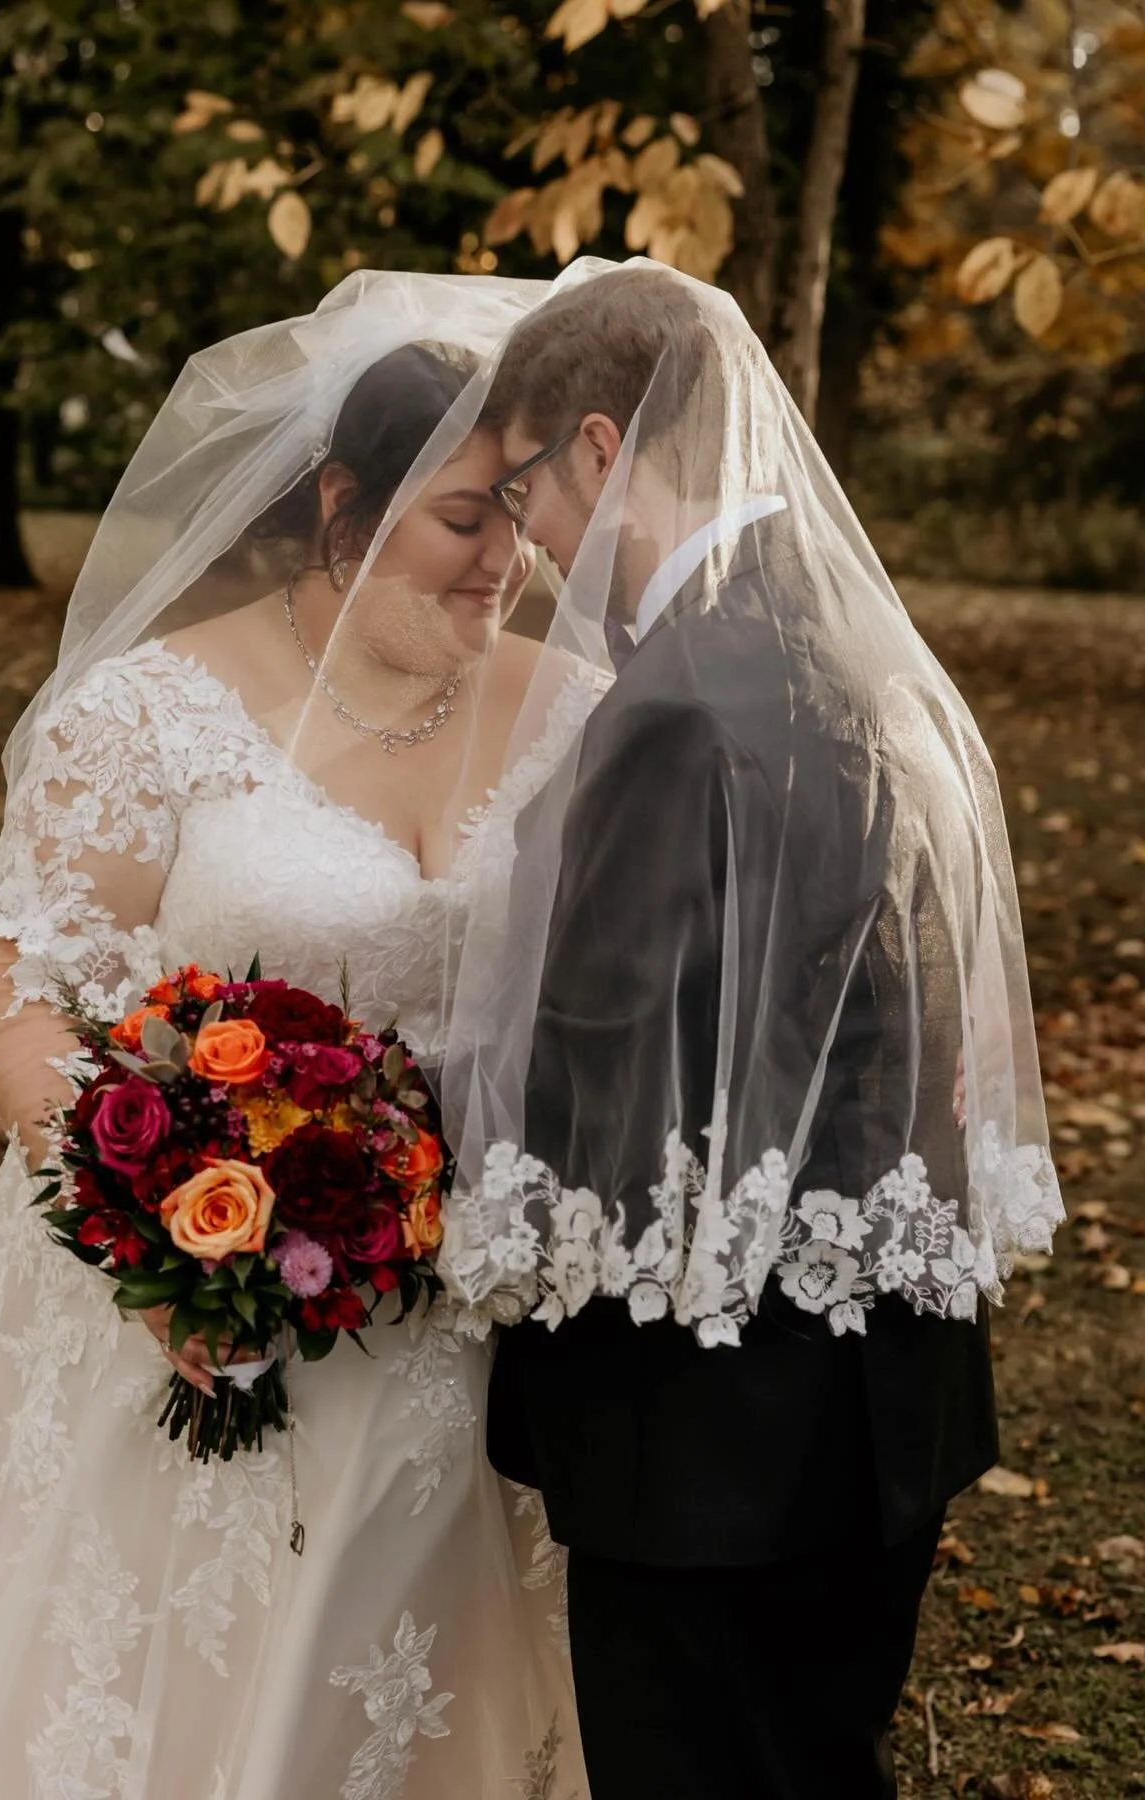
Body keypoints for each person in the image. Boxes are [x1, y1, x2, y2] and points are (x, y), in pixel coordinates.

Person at [0, 272, 598, 1799]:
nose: (504, 563)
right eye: (462, 519)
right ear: (341, 503)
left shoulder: (582, 710)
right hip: (191, 1307)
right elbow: (24, 998)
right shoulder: (149, 714)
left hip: (485, 1323)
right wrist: (158, 1237)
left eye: (521, 517)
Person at [440, 259, 1064, 1798]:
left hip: (710, 1449)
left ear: (600, 446)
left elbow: (606, 1076)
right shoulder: (865, 648)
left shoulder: (669, 706)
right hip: (879, 1404)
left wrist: (408, 1136)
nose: (531, 536)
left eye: (528, 486)